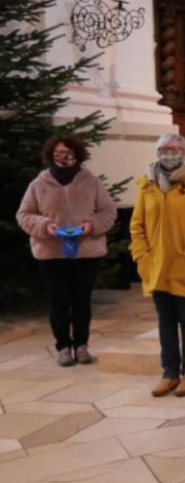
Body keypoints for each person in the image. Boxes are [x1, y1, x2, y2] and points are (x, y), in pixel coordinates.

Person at [17, 135, 117, 367]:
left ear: (78, 154)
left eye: (68, 152)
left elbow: (108, 211)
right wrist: (46, 226)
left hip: (85, 252)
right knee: (59, 302)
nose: (64, 156)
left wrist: (90, 225)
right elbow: (24, 214)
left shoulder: (91, 182)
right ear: (52, 155)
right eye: (59, 152)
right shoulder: (39, 184)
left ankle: (81, 344)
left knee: (81, 301)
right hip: (51, 253)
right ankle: (63, 346)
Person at [131, 134, 185, 398]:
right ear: (157, 152)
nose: (170, 153)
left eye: (176, 149)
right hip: (156, 264)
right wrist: (141, 254)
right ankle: (169, 373)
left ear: (184, 152)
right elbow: (137, 225)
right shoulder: (146, 184)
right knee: (165, 321)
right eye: (165, 149)